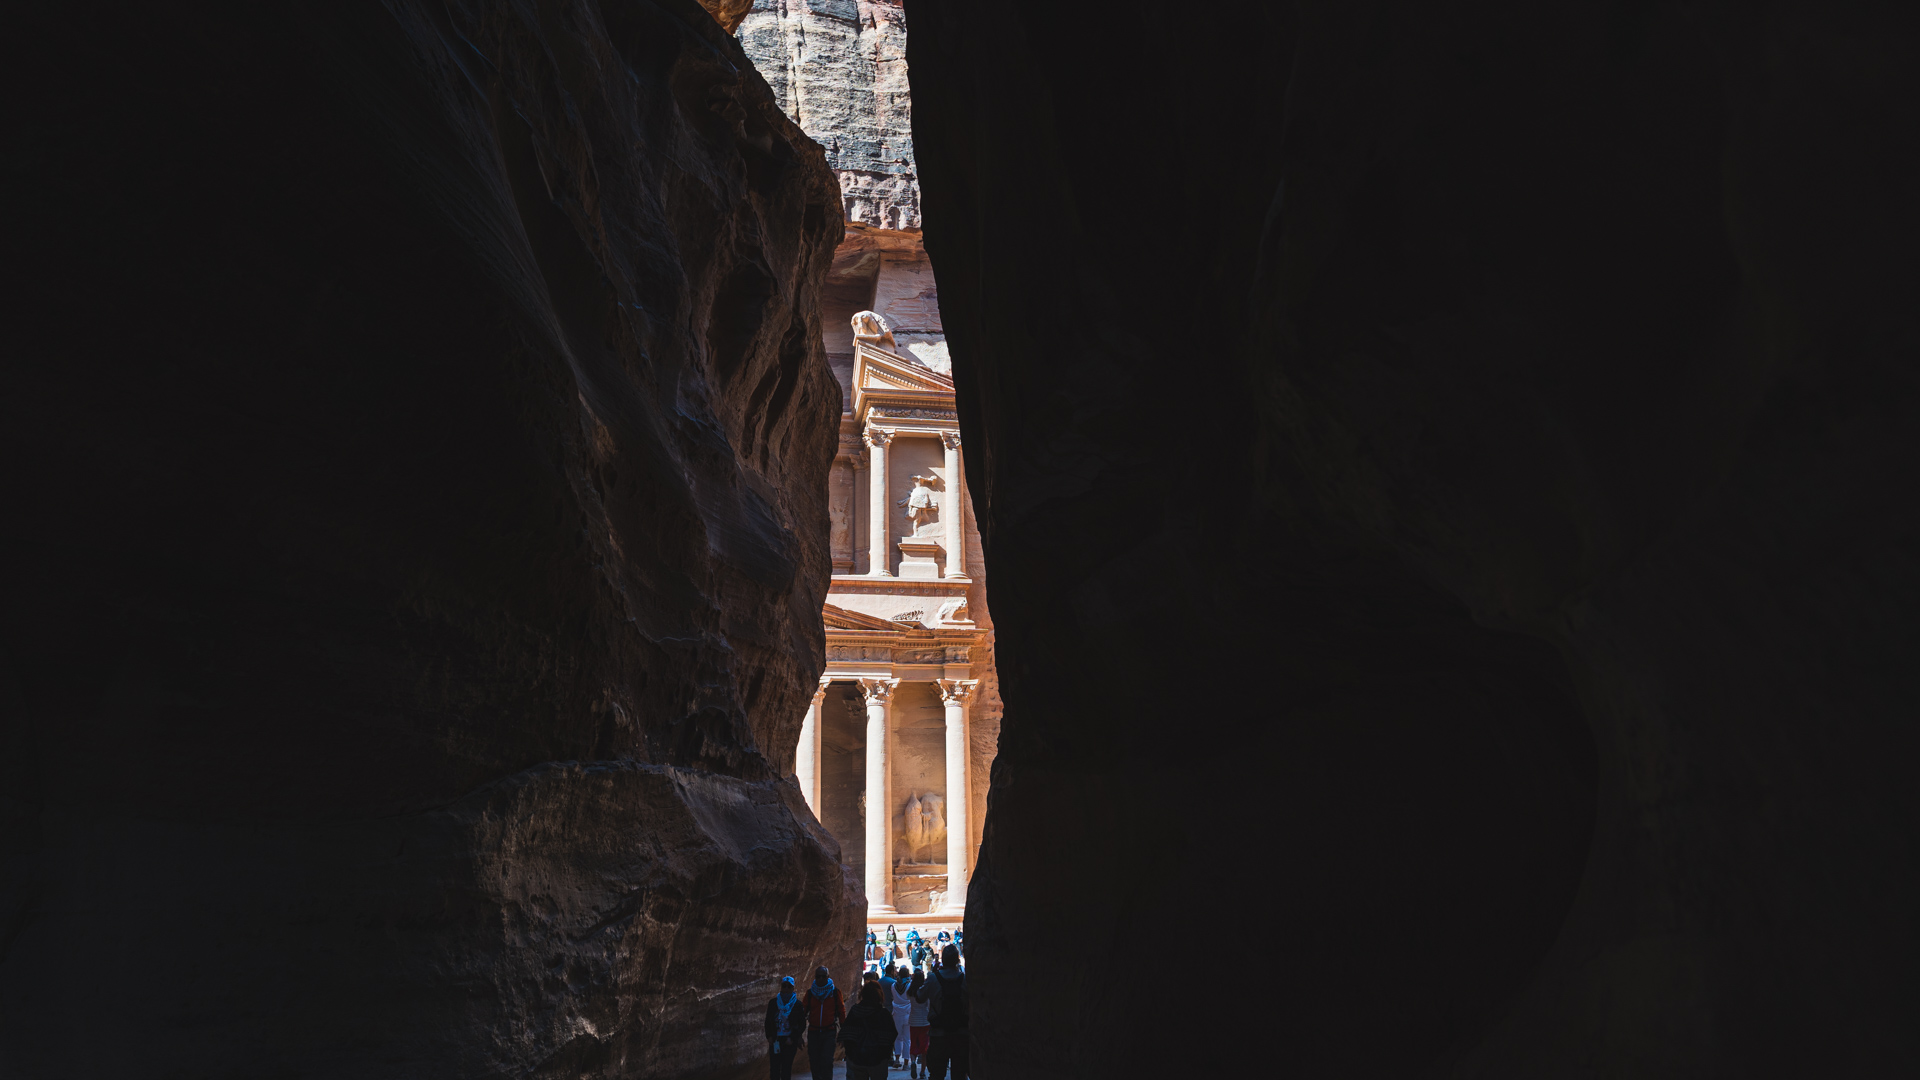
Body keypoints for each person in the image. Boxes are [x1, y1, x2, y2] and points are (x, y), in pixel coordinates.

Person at [923, 944, 969, 1080]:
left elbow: (920, 997)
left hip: (939, 1032)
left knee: (936, 1074)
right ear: (957, 960)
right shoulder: (964, 979)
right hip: (960, 1032)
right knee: (959, 1074)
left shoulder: (933, 978)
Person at [838, 981, 898, 1080]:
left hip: (856, 1058)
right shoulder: (884, 1015)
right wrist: (885, 1055)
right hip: (878, 1060)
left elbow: (846, 1034)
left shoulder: (855, 1011)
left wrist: (851, 1053)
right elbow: (891, 1035)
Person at [802, 966, 844, 1080]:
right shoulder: (810, 994)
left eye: (823, 976)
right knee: (814, 1062)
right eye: (818, 977)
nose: (820, 979)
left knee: (827, 1061)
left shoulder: (835, 993)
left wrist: (843, 1032)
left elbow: (841, 1012)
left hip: (829, 1032)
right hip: (814, 1032)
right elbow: (803, 1012)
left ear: (828, 977)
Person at [764, 976, 806, 1080]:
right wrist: (769, 1036)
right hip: (776, 1040)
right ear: (781, 987)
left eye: (789, 986)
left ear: (793, 988)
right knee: (774, 1068)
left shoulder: (797, 1005)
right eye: (784, 986)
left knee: (786, 1069)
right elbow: (768, 1020)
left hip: (789, 1041)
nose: (786, 989)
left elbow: (802, 1024)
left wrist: (792, 1038)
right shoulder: (773, 1003)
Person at [906, 968, 932, 1078]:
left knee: (913, 1043)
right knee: (924, 1047)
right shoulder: (925, 990)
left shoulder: (910, 991)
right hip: (924, 1022)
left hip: (913, 1021)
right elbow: (929, 1006)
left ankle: (912, 1062)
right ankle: (922, 1072)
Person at [889, 964, 914, 1067]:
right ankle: (906, 1063)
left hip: (896, 1013)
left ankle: (897, 1059)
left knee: (898, 1037)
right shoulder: (909, 985)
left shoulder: (893, 986)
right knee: (907, 1039)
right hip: (907, 1013)